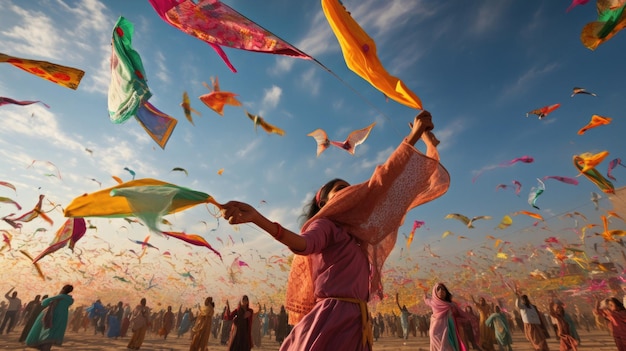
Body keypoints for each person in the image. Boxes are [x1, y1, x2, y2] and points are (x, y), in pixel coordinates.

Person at [221, 111, 449, 351]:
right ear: (323, 202)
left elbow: (387, 186)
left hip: (356, 323)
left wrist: (425, 142)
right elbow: (303, 244)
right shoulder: (325, 225)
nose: (347, 191)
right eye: (340, 189)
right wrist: (258, 218)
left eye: (349, 189)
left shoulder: (357, 236)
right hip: (332, 321)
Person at [25, 284, 74, 351]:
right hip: (62, 317)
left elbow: (44, 302)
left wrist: (58, 295)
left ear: (63, 289)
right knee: (53, 332)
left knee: (46, 331)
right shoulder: (70, 299)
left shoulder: (59, 297)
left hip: (52, 314)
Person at [424, 283, 465, 351]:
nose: (441, 291)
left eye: (443, 289)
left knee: (447, 346)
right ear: (435, 292)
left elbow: (459, 314)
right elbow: (425, 299)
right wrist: (425, 292)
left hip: (447, 329)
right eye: (438, 289)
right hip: (435, 331)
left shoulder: (451, 305)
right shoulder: (432, 302)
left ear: (446, 292)